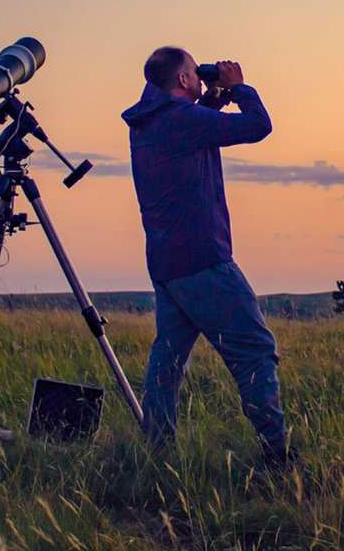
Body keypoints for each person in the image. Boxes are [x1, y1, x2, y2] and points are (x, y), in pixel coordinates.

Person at [121, 46, 292, 467]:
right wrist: (239, 88)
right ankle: (277, 456)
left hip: (166, 262)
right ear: (181, 80)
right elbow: (258, 127)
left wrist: (213, 96)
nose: (200, 78)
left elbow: (200, 127)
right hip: (204, 259)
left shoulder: (149, 122)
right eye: (194, 73)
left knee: (168, 359)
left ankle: (158, 454)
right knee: (254, 348)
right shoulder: (183, 120)